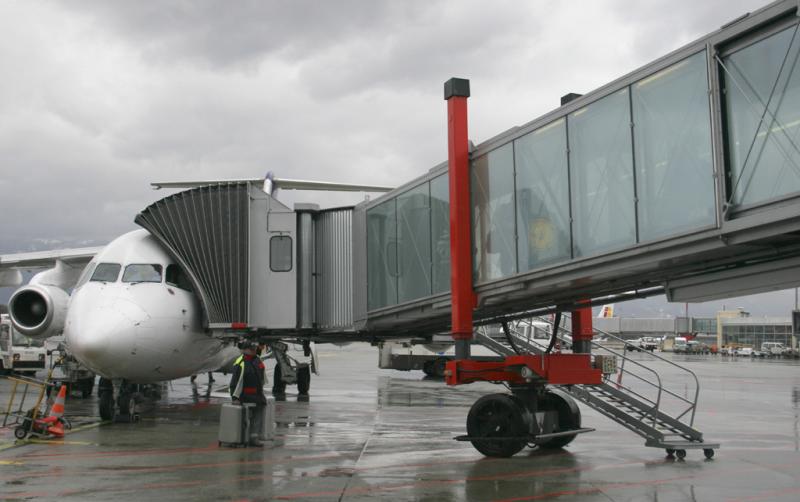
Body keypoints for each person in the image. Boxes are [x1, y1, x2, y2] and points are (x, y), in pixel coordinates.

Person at [229, 342, 267, 446]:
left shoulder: (257, 360)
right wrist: (234, 398)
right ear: (245, 350)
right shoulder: (241, 363)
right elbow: (234, 382)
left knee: (260, 407)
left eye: (254, 348)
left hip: (257, 395)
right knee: (243, 416)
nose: (253, 350)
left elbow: (262, 378)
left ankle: (254, 436)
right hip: (244, 396)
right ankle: (239, 437)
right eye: (251, 348)